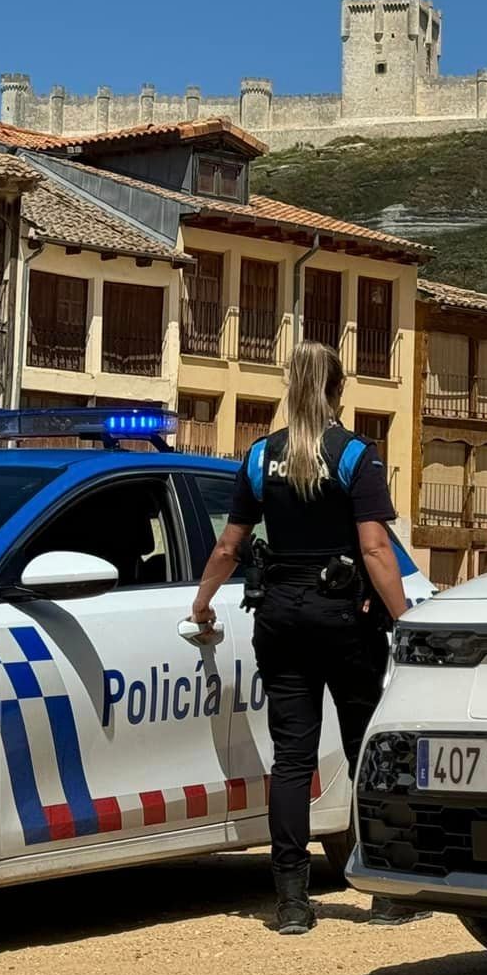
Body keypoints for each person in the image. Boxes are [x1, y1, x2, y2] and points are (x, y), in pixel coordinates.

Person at [187, 340, 425, 934]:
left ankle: (292, 901)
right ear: (339, 391)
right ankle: (386, 891)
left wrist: (202, 602)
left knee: (292, 758)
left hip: (279, 616)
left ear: (288, 390)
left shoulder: (259, 457)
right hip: (343, 617)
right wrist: (406, 621)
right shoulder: (355, 456)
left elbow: (228, 545)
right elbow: (374, 549)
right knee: (364, 751)